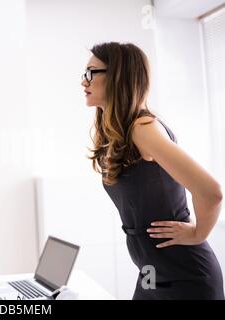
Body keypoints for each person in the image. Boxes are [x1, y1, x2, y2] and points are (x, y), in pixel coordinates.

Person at [81, 42, 224, 299]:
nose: (84, 82)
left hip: (186, 278)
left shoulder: (142, 127)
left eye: (92, 73)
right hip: (150, 273)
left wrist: (198, 232)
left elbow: (210, 191)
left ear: (117, 77)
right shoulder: (119, 133)